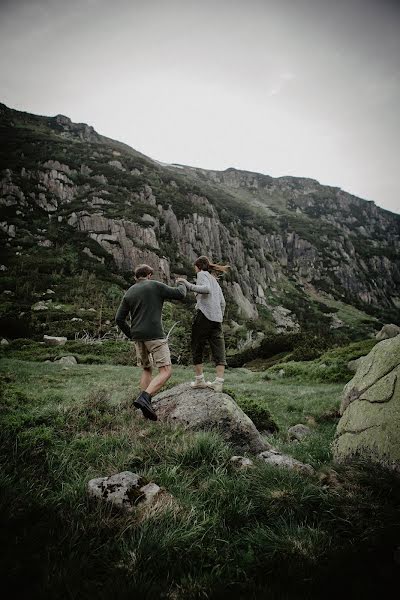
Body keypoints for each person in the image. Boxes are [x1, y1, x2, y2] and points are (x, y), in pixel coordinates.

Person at [115, 263, 186, 421]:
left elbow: (119, 319)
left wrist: (132, 334)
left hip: (138, 337)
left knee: (147, 369)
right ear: (149, 275)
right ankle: (145, 398)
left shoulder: (129, 292)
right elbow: (180, 294)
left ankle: (143, 407)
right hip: (155, 335)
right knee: (166, 371)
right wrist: (182, 282)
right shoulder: (154, 285)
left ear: (136, 277)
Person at [177, 255, 229, 392]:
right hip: (217, 319)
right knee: (219, 349)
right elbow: (223, 302)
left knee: (197, 345)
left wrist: (186, 284)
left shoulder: (202, 274)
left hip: (204, 316)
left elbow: (206, 289)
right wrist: (219, 316)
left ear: (198, 266)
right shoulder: (214, 280)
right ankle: (218, 383)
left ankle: (200, 380)